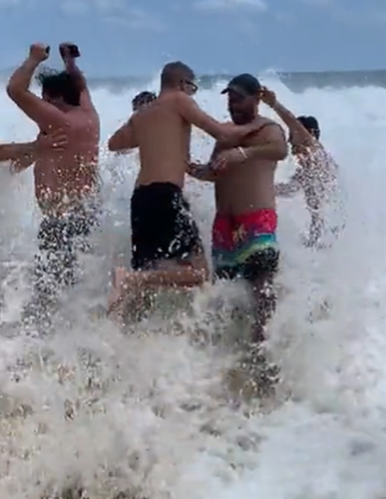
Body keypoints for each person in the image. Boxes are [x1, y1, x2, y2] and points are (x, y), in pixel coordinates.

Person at [106, 61, 263, 311]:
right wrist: (262, 128)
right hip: (166, 195)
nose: (192, 94)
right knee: (198, 272)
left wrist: (149, 127)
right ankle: (130, 279)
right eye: (193, 88)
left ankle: (117, 332)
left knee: (148, 275)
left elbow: (114, 143)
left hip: (141, 199)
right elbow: (221, 133)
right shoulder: (179, 100)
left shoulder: (143, 113)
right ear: (182, 84)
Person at [188, 74, 288, 389]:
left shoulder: (267, 128)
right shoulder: (226, 135)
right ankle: (233, 361)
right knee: (228, 295)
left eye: (238, 98)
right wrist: (191, 169)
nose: (232, 105)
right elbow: (214, 173)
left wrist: (243, 154)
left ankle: (266, 357)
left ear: (256, 98)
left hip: (256, 220)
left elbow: (280, 149)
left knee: (261, 290)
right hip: (225, 227)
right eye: (229, 99)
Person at [6, 43, 101, 312]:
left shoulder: (59, 122)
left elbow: (15, 90)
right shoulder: (90, 115)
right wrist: (69, 63)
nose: (41, 105)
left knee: (50, 296)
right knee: (76, 293)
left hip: (60, 222)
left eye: (44, 99)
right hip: (86, 214)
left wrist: (33, 59)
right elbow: (81, 87)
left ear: (54, 99)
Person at [261, 87, 338, 247]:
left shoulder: (316, 152)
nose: (289, 141)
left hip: (334, 228)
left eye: (292, 134)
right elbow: (290, 190)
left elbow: (292, 122)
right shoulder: (306, 169)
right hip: (324, 232)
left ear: (308, 133)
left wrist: (273, 103)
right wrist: (261, 190)